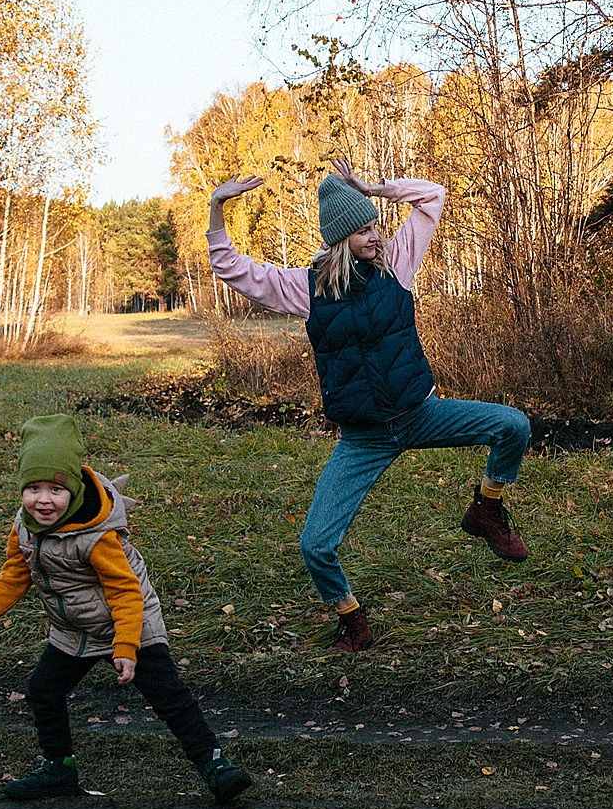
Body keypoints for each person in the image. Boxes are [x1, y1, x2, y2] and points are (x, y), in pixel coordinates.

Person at [206, 159, 533, 654]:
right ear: (341, 240)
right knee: (316, 545)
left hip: (421, 415)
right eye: (364, 231)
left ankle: (486, 509)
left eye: (376, 225)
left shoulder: (397, 263)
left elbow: (433, 196)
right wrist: (217, 206)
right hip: (363, 440)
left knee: (514, 426)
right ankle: (351, 618)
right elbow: (231, 267)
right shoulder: (308, 288)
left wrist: (374, 188)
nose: (376, 236)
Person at [0, 413, 254, 801]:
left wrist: (126, 648)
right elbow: (11, 581)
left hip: (130, 621)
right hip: (75, 629)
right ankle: (59, 770)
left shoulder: (96, 535)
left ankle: (215, 765)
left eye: (55, 489)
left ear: (72, 489)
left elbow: (126, 591)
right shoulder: (25, 528)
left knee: (168, 696)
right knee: (43, 691)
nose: (43, 500)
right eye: (33, 488)